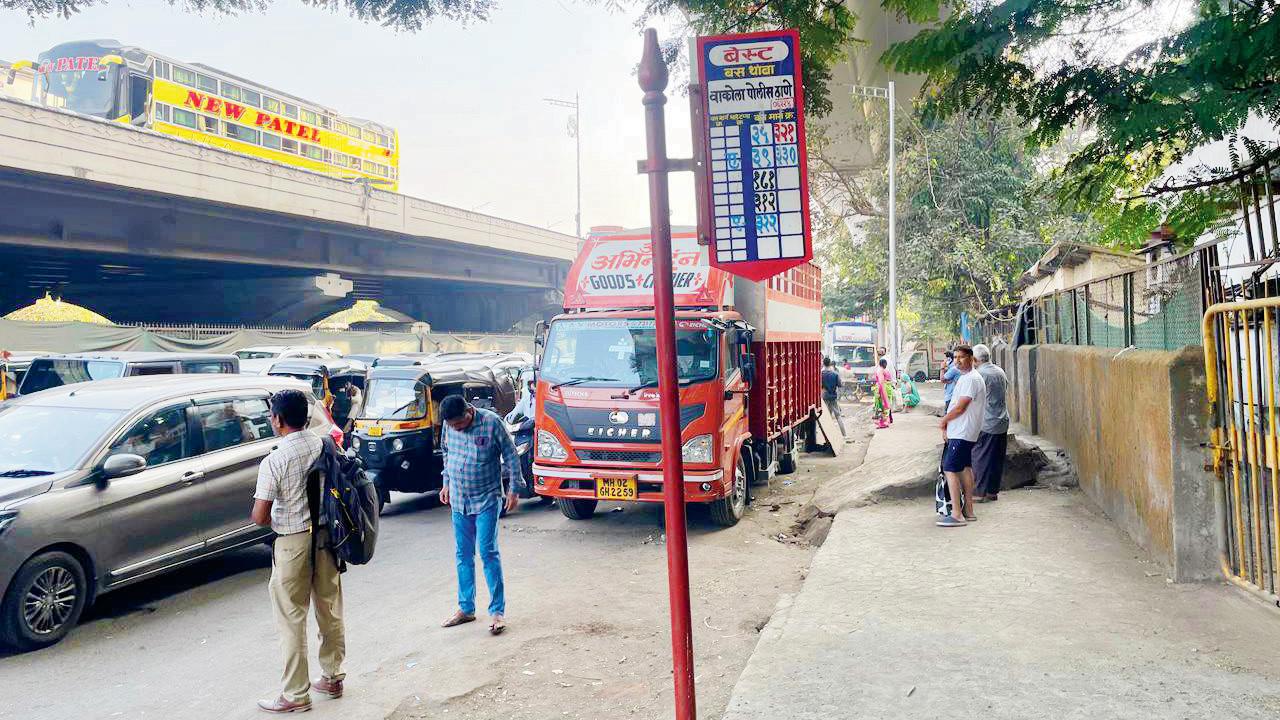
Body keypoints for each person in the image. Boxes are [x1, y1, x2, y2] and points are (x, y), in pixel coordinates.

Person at [251, 389, 344, 714]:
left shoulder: (275, 460)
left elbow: (260, 517)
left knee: (292, 617)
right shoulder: (325, 446)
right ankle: (332, 677)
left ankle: (295, 694)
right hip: (327, 539)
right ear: (306, 417)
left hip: (291, 543)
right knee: (329, 607)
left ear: (277, 420)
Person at [439, 394, 521, 635]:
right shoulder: (448, 423)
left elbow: (511, 455)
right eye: (452, 426)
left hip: (487, 497)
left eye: (458, 424)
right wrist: (446, 483)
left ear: (469, 412)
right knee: (463, 554)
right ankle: (466, 608)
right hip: (458, 499)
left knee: (487, 552)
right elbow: (446, 453)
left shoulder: (491, 422)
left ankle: (497, 611)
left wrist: (514, 489)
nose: (455, 429)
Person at [936, 345, 986, 528]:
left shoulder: (971, 379)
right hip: (964, 431)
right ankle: (969, 511)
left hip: (962, 431)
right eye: (955, 357)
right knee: (965, 467)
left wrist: (944, 421)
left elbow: (961, 407)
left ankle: (957, 514)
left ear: (971, 358)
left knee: (950, 468)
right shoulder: (967, 378)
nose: (957, 360)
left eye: (961, 357)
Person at [971, 344, 1010, 503]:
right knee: (996, 458)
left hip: (986, 422)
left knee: (979, 457)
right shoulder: (999, 371)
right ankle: (992, 491)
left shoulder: (979, 375)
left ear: (975, 359)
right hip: (1002, 421)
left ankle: (979, 492)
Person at [820, 357, 848, 439]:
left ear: (823, 363)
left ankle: (826, 436)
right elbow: (840, 385)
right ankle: (844, 435)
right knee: (838, 416)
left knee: (826, 417)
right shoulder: (835, 374)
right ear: (830, 364)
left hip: (824, 396)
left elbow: (819, 385)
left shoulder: (821, 374)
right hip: (833, 396)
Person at [872, 358, 895, 429]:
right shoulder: (886, 370)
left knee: (882, 405)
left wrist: (879, 391)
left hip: (883, 388)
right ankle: (888, 420)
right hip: (888, 388)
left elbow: (881, 381)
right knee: (887, 405)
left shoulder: (880, 370)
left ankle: (883, 422)